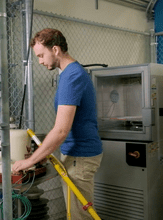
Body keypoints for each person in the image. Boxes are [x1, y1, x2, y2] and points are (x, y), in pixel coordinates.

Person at [11, 28, 103, 219]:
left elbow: (61, 130)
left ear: (55, 50)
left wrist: (30, 161)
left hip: (81, 157)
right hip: (77, 154)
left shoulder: (72, 77)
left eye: (41, 55)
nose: (40, 61)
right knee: (75, 211)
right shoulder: (70, 74)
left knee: (80, 216)